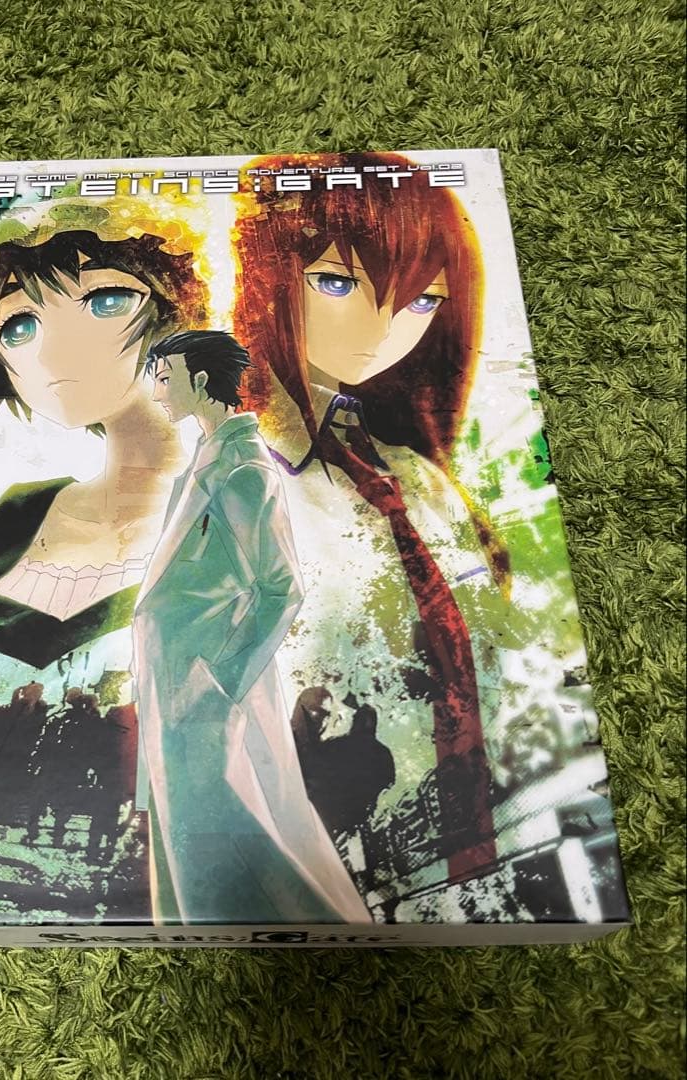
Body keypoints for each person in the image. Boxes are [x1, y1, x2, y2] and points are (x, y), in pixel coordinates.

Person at [233, 152, 517, 892]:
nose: (383, 326)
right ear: (265, 279)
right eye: (335, 283)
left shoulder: (416, 477)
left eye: (423, 301)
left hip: (459, 799)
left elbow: (492, 642)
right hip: (310, 806)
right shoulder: (236, 471)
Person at [131, 329, 369, 925]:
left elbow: (282, 588)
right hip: (177, 675)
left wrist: (222, 683)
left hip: (206, 681)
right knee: (189, 826)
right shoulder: (208, 458)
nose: (157, 393)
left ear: (200, 381)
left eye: (165, 379)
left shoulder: (243, 469)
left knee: (233, 826)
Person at [0, 200, 209, 669]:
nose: (53, 352)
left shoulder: (233, 506)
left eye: (106, 301)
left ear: (181, 309)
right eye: (19, 326)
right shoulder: (22, 509)